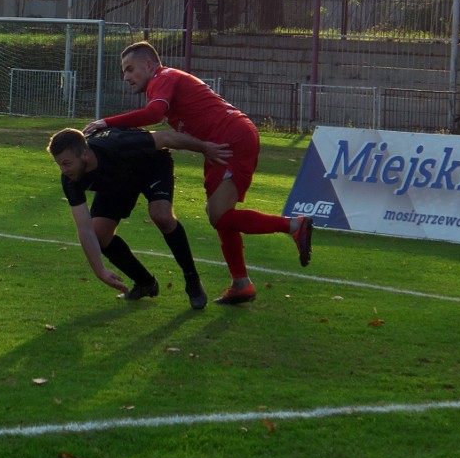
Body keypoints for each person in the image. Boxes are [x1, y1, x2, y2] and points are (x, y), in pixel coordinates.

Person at [83, 41, 313, 306]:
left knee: (219, 215)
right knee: (220, 216)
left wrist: (106, 121)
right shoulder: (165, 81)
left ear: (149, 64)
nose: (126, 77)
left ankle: (293, 225)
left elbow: (154, 114)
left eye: (130, 69)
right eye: (124, 72)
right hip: (219, 142)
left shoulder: (163, 77)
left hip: (229, 137)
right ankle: (241, 283)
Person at [47, 126, 231, 310]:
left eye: (66, 163)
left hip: (151, 167)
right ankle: (145, 283)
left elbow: (167, 137)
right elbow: (84, 228)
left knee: (161, 216)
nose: (63, 170)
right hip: (116, 182)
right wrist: (100, 271)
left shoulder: (119, 144)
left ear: (85, 155)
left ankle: (192, 279)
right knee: (99, 235)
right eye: (59, 164)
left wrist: (205, 147)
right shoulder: (70, 179)